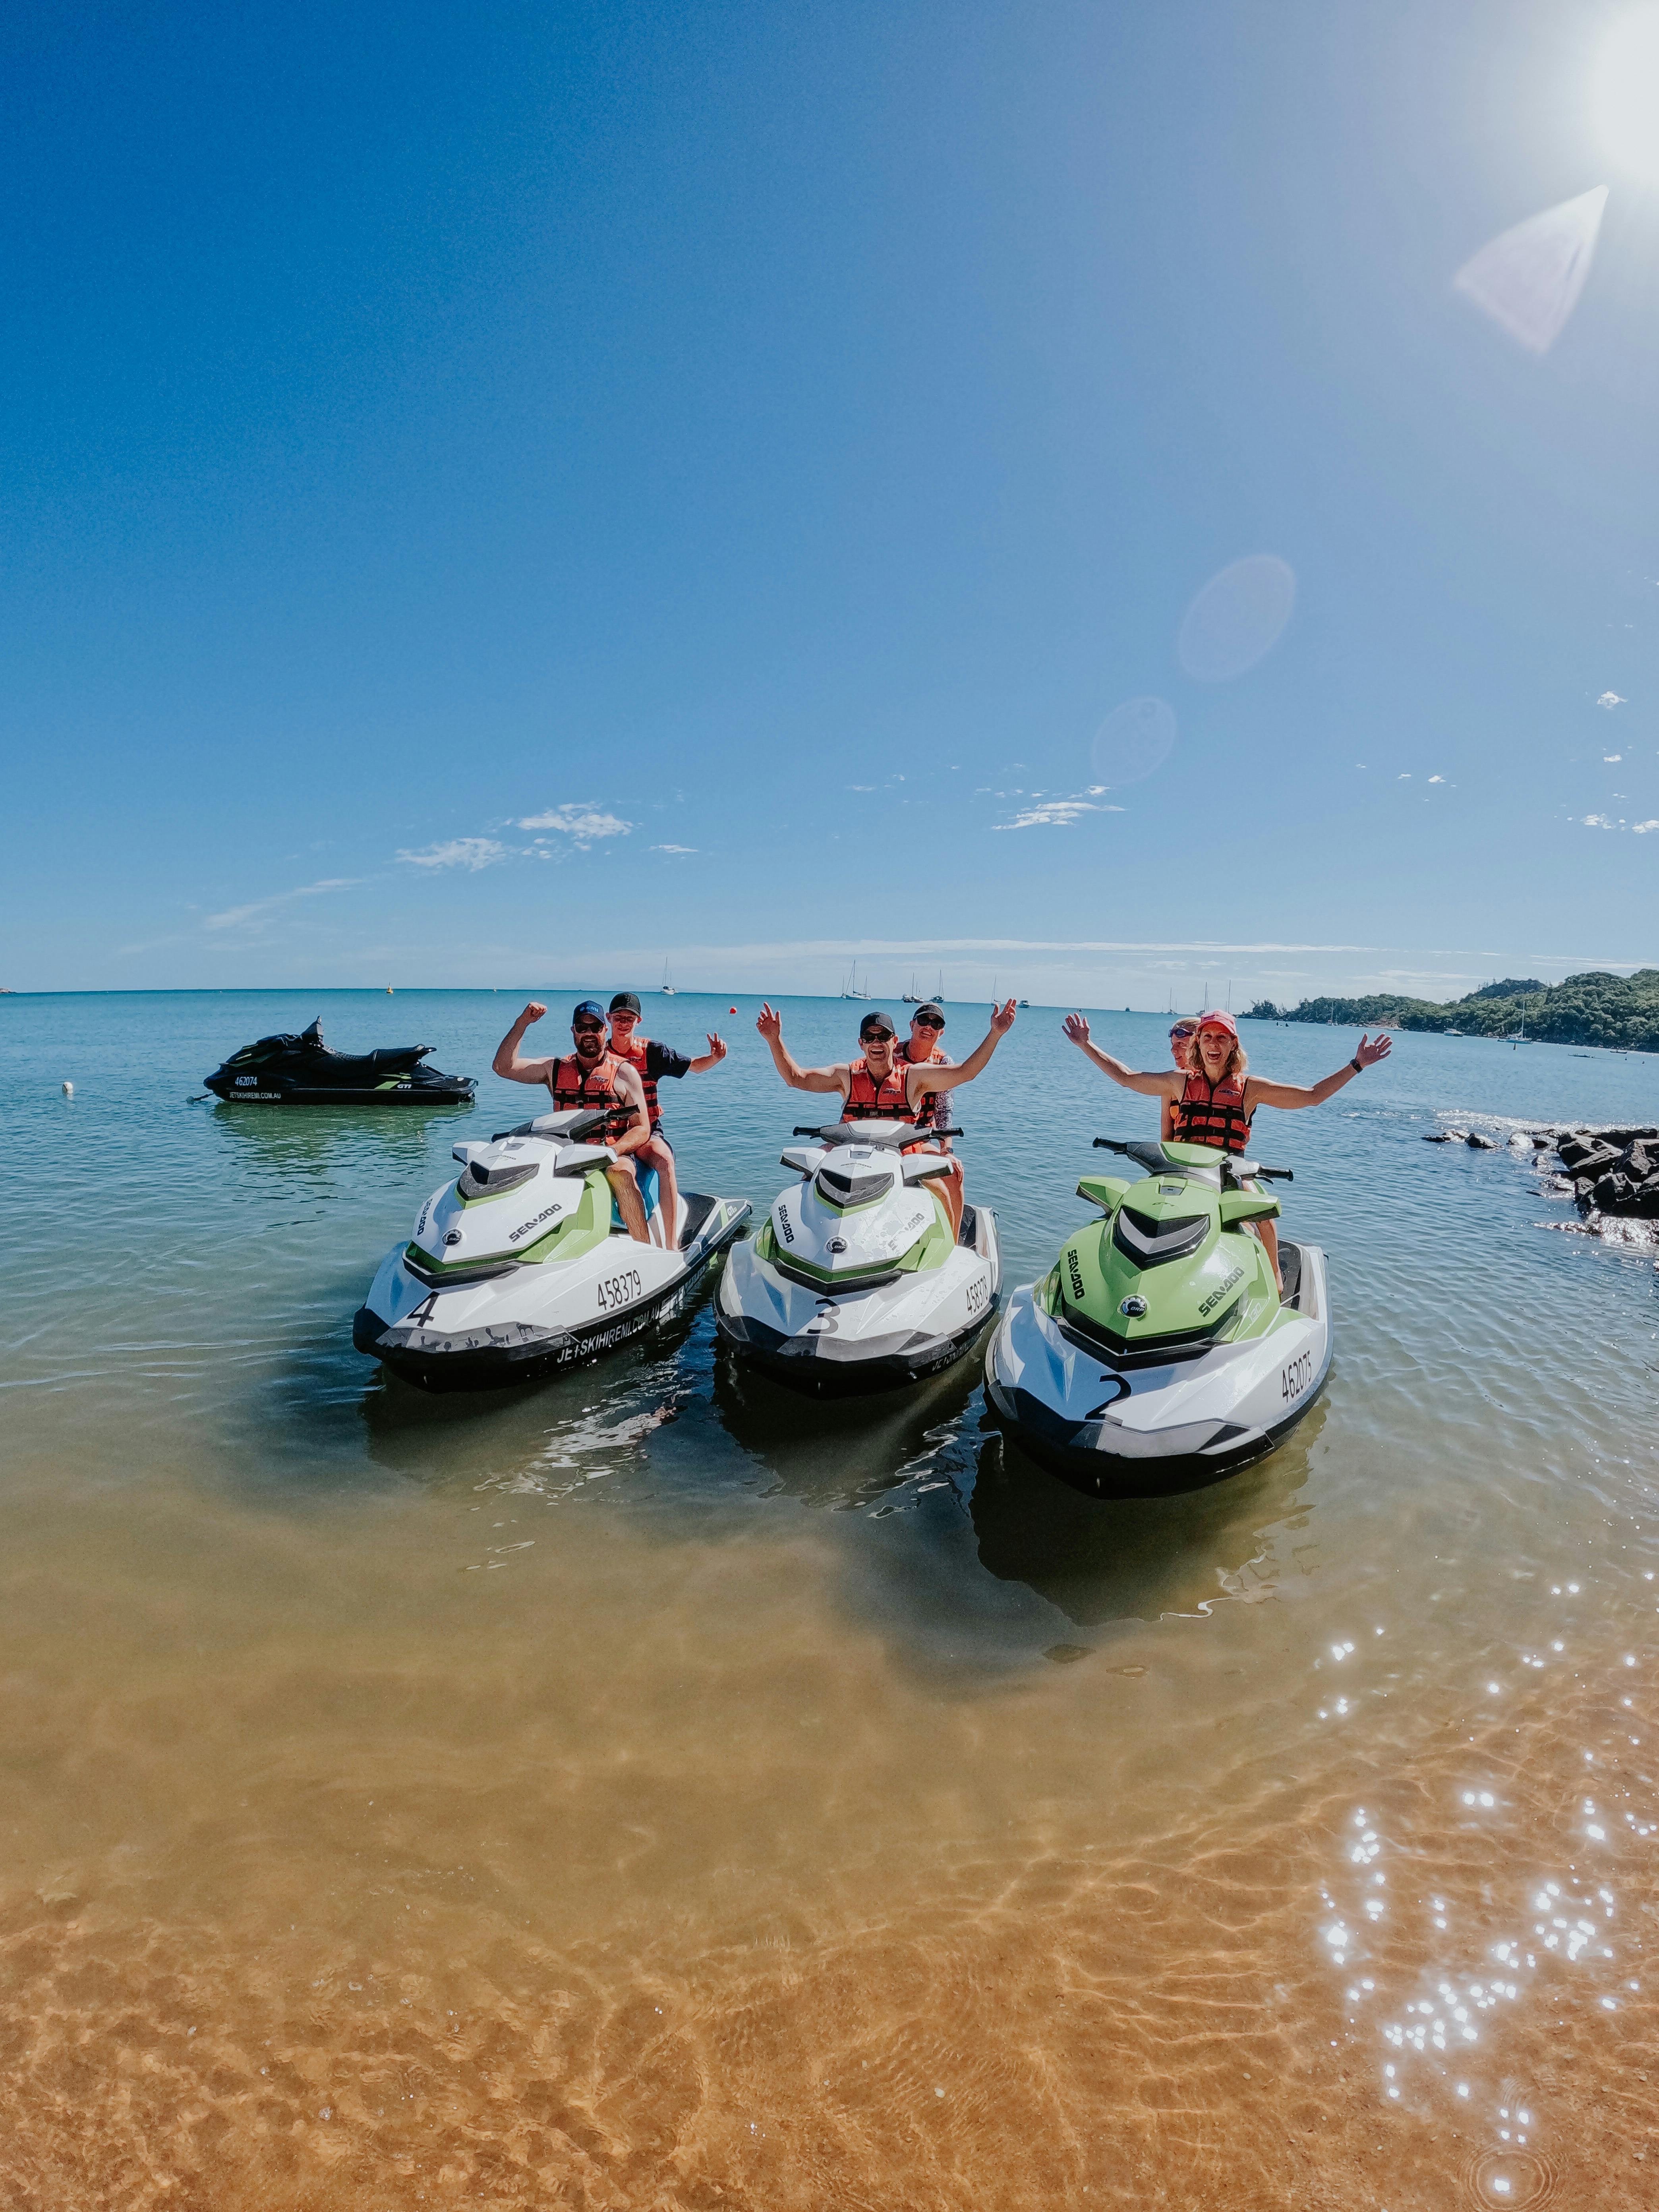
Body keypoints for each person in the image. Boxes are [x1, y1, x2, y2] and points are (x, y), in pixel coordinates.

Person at [1062, 1008, 1392, 1290]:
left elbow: (1311, 1096)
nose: (1214, 1044)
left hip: (1227, 1174)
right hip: (1181, 1174)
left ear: (1233, 1044)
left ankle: (1275, 1274)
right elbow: (1127, 1077)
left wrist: (1357, 1065)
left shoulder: (1251, 1089)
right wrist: (1085, 1044)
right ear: (1199, 1044)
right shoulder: (1179, 1083)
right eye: (1207, 1038)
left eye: (1222, 1038)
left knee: (1260, 1206)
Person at [755, 1000, 1017, 1239]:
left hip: (904, 1150)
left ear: (895, 1041)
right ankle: (795, 1241)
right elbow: (796, 1078)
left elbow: (965, 1073)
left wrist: (995, 1034)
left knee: (942, 1187)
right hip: (851, 1148)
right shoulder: (846, 1075)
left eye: (883, 1037)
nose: (877, 1043)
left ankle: (950, 1245)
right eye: (870, 1037)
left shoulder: (915, 1076)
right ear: (861, 1043)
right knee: (808, 1175)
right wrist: (773, 1040)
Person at [491, 1000, 654, 1243]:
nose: (589, 1033)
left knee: (621, 1173)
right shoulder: (554, 1069)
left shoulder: (624, 1072)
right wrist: (523, 1022)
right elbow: (503, 1067)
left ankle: (645, 1249)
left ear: (605, 1030)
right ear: (574, 1031)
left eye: (595, 1028)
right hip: (565, 1154)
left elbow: (642, 1128)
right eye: (582, 1027)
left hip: (610, 1151)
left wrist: (613, 1151)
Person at [605, 992, 727, 1245]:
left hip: (646, 1133)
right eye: (619, 1017)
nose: (624, 1023)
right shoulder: (599, 1056)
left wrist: (714, 1058)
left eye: (630, 1018)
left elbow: (693, 1065)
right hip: (612, 1134)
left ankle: (671, 1244)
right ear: (608, 1019)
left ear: (639, 1021)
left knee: (664, 1159)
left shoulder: (652, 1052)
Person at [896, 1000, 963, 1236]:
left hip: (921, 1137)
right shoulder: (891, 1056)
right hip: (888, 1135)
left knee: (953, 1174)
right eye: (923, 1020)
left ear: (941, 1032)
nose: (929, 1026)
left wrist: (947, 1151)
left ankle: (954, 1242)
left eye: (936, 1024)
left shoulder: (943, 1063)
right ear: (912, 1024)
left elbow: (944, 1110)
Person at [1160, 1017, 1198, 1142]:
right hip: (1179, 1157)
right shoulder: (1171, 1084)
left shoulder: (1217, 1081)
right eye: (1173, 1044)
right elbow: (1166, 1137)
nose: (1173, 1050)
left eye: (1181, 1044)